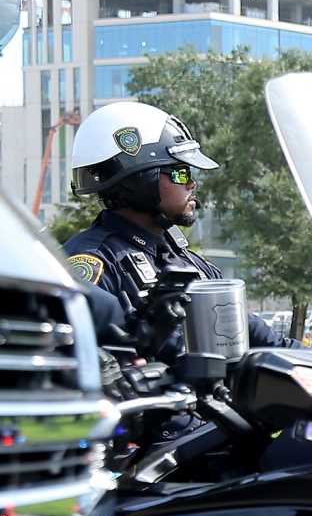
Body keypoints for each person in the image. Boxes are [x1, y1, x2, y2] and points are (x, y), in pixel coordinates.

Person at [63, 100, 281, 359]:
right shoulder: (92, 264)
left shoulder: (189, 262)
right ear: (139, 179)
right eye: (180, 173)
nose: (192, 183)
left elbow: (258, 336)